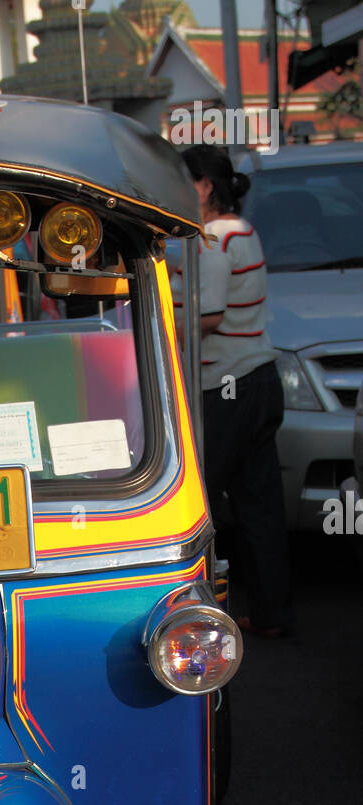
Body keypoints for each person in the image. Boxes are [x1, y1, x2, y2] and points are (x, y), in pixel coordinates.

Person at [179, 144, 292, 638]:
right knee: (260, 506)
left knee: (195, 503)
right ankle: (272, 616)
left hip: (227, 387)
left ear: (204, 186)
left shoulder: (213, 238)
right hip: (259, 379)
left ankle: (191, 616)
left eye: (185, 182)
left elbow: (207, 316)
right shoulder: (241, 230)